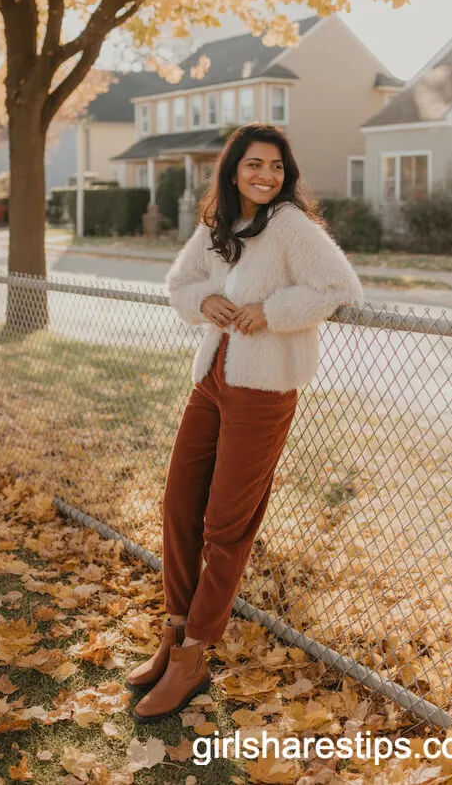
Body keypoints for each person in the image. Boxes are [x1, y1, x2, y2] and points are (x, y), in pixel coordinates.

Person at [126, 123, 364, 723]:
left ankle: (193, 658)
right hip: (212, 382)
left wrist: (275, 311)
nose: (266, 176)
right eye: (255, 165)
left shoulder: (289, 225)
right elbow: (180, 283)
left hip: (263, 392)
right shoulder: (221, 228)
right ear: (233, 170)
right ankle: (173, 633)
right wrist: (203, 301)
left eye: (277, 167)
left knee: (224, 525)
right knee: (178, 505)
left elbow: (340, 286)